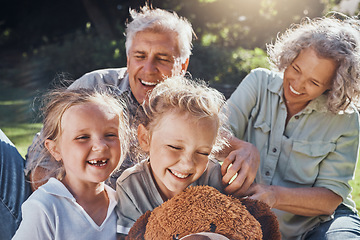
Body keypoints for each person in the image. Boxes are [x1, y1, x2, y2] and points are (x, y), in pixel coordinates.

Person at [0, 5, 258, 239]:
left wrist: (245, 149)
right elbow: (42, 155)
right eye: (140, 56)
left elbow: (203, 145)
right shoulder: (95, 88)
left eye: (163, 59)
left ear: (183, 64)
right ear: (128, 57)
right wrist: (66, 210)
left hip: (120, 222)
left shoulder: (186, 110)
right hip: (56, 213)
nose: (148, 68)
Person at [223, 15, 360, 239]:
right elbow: (212, 135)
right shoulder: (258, 83)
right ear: (290, 56)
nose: (297, 85)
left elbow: (330, 199)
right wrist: (242, 146)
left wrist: (273, 196)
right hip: (249, 222)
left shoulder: (345, 119)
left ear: (333, 86)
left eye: (314, 82)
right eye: (296, 69)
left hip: (319, 224)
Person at [116, 76, 231, 236]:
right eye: (175, 147)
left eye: (203, 152)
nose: (188, 164)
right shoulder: (130, 186)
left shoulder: (213, 176)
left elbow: (231, 225)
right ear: (145, 138)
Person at [12, 88, 129, 239]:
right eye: (83, 137)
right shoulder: (45, 207)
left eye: (110, 135)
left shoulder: (124, 205)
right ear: (55, 150)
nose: (101, 146)